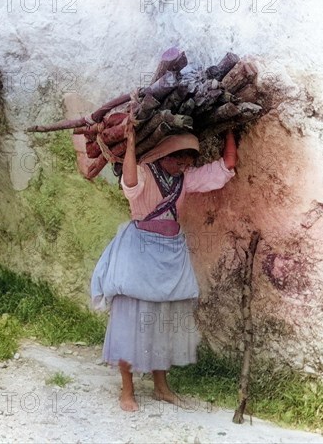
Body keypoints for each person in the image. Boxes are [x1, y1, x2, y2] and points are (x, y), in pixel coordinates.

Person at [91, 129, 237, 411]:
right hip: (138, 253)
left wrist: (229, 130)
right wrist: (131, 142)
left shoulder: (184, 179)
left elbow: (225, 167)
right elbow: (130, 182)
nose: (183, 166)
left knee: (162, 322)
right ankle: (127, 391)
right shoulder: (143, 173)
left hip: (170, 254)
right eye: (178, 160)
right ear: (164, 155)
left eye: (187, 161)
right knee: (130, 321)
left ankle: (161, 387)